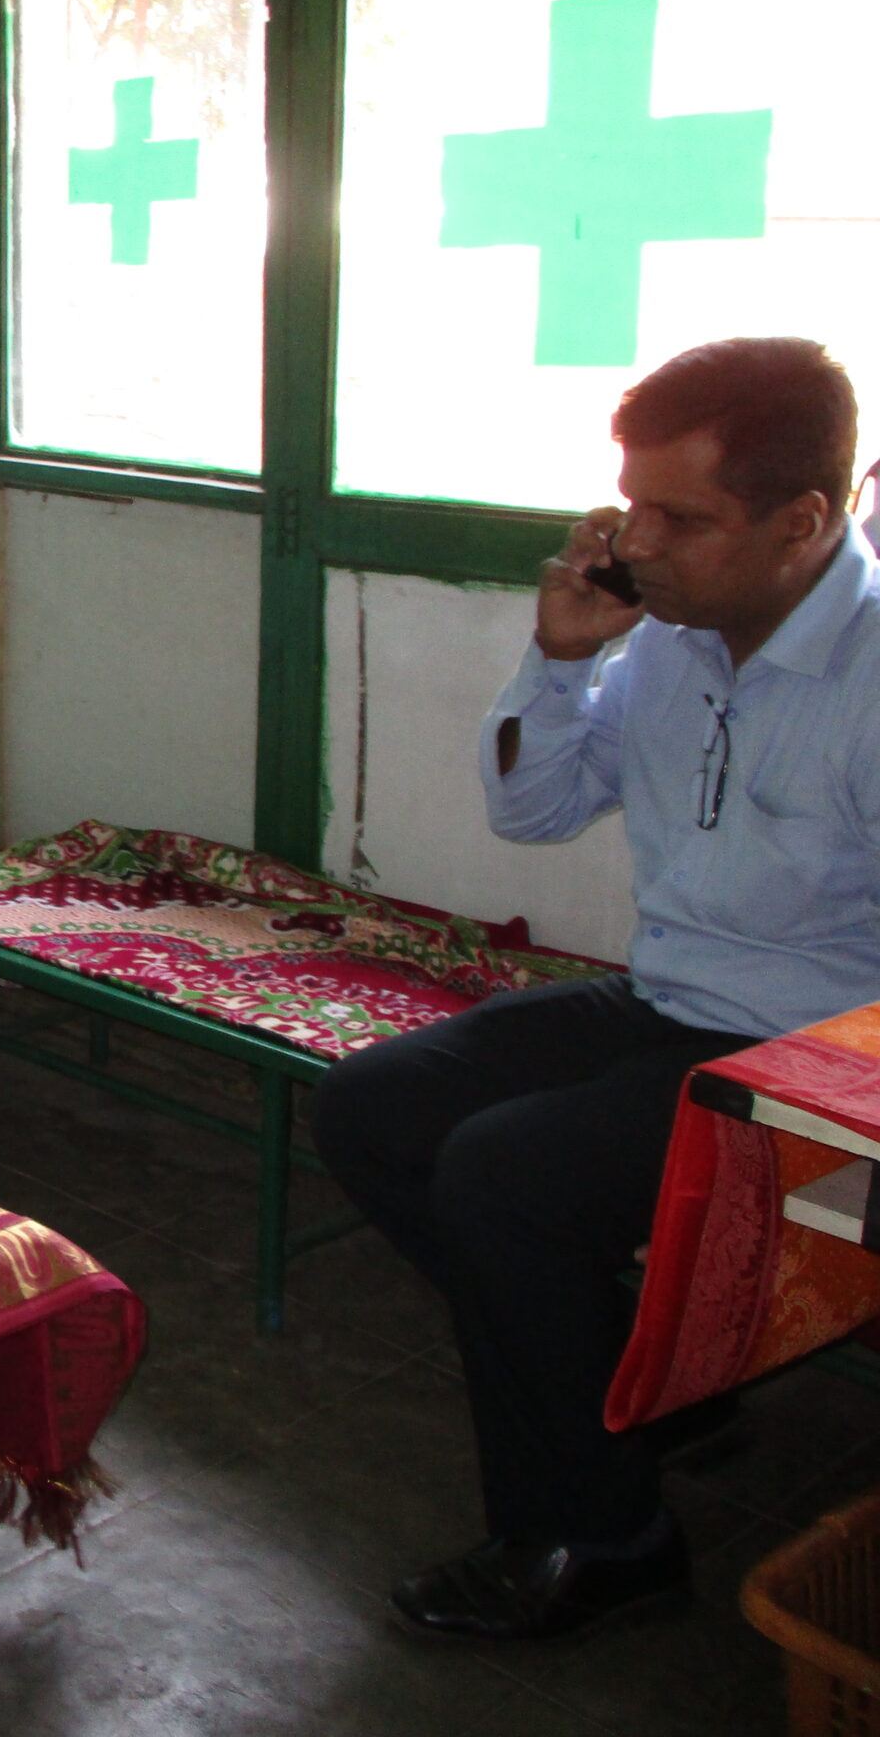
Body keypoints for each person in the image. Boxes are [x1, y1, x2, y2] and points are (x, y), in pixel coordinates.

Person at [311, 337, 878, 1641]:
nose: (640, 544)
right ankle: (648, 1387)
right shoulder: (676, 640)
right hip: (669, 1005)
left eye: (682, 518)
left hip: (824, 1065)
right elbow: (536, 809)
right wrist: (560, 659)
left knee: (505, 1176)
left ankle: (600, 1537)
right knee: (370, 1108)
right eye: (632, 507)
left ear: (802, 523)